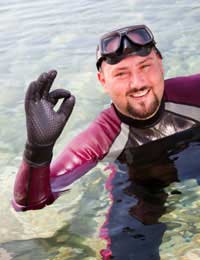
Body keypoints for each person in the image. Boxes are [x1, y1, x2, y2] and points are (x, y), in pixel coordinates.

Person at [12, 24, 200, 259]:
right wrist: (37, 150)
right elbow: (29, 203)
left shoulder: (194, 92)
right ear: (103, 81)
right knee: (127, 249)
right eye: (121, 73)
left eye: (145, 66)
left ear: (161, 64)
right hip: (142, 185)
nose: (137, 83)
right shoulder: (100, 138)